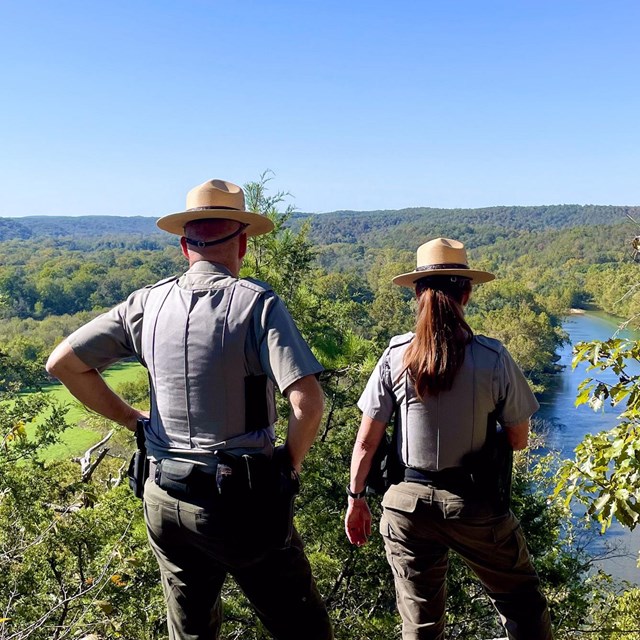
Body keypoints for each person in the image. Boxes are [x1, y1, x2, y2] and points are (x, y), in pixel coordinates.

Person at [46, 179, 333, 640]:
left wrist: (131, 419)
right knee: (303, 627)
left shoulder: (145, 304)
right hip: (241, 502)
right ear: (241, 242)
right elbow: (307, 402)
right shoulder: (256, 304)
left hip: (163, 495)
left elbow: (63, 363)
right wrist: (289, 465)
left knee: (192, 631)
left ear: (185, 246)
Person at [344, 238, 553, 640]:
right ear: (467, 293)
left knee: (420, 625)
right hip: (474, 506)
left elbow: (367, 443)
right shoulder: (492, 358)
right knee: (522, 603)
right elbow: (519, 438)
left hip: (406, 507)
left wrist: (356, 500)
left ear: (418, 294)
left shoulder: (395, 356)